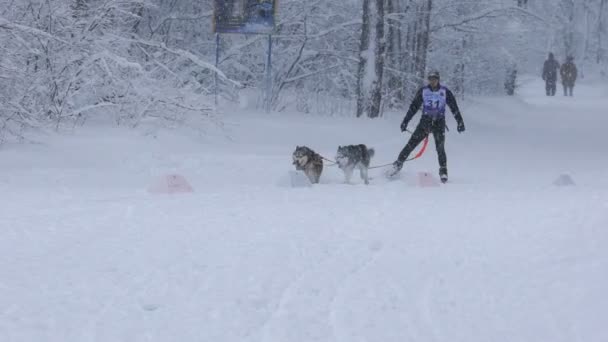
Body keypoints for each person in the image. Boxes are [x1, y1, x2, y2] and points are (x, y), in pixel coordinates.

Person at [387, 70, 465, 183]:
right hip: (425, 123)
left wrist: (460, 122)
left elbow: (454, 107)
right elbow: (413, 107)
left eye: (435, 79)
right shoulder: (423, 91)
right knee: (411, 144)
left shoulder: (445, 91)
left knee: (440, 148)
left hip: (439, 123)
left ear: (438, 79)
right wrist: (405, 121)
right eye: (430, 79)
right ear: (428, 80)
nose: (432, 81)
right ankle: (397, 165)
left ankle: (443, 172)